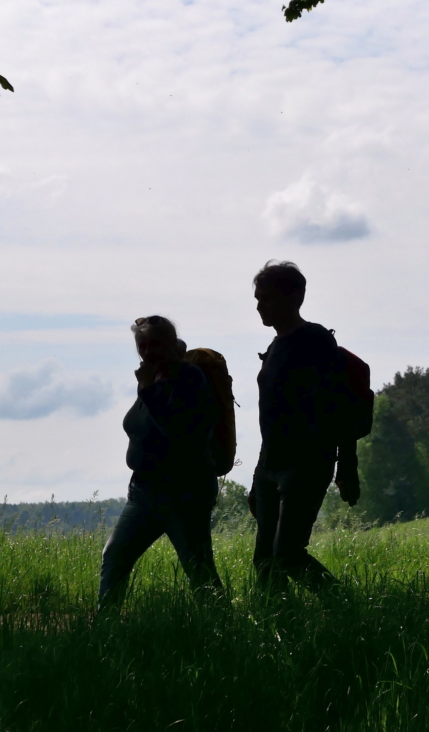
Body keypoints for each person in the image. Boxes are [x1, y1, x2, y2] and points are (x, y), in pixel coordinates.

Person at [249, 260, 360, 589]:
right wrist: (259, 476)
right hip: (271, 465)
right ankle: (279, 629)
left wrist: (347, 466)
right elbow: (271, 416)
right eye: (257, 299)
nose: (259, 307)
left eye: (267, 298)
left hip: (307, 463)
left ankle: (344, 608)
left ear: (294, 297)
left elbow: (342, 404)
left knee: (287, 555)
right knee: (265, 560)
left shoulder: (314, 340)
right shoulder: (274, 347)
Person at [98, 315, 223, 608]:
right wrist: (148, 387)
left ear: (171, 343)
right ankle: (104, 630)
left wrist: (147, 390)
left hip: (184, 492)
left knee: (199, 570)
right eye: (142, 345)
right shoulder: (153, 378)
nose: (147, 351)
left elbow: (176, 431)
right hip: (143, 491)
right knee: (115, 555)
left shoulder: (189, 378)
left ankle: (224, 627)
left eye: (154, 344)